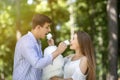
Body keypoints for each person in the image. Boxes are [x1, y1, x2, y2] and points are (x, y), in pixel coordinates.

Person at [12, 14, 67, 80]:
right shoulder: (26, 42)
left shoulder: (37, 42)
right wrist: (58, 51)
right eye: (47, 27)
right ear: (38, 27)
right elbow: (37, 63)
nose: (49, 30)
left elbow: (41, 65)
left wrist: (52, 47)